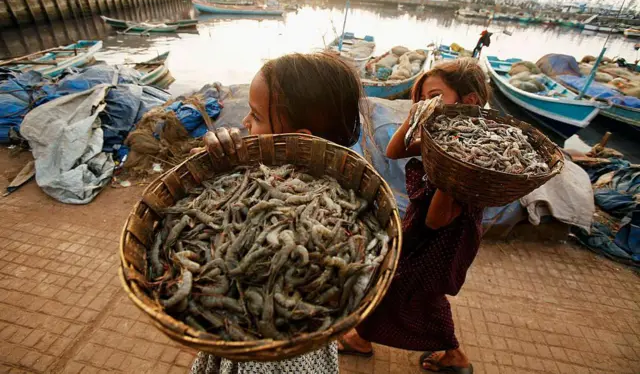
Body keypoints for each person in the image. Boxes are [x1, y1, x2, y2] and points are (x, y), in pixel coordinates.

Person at [189, 51, 364, 374]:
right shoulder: (258, 170)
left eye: (255, 116)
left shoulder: (342, 205)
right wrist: (214, 161)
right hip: (234, 341)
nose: (243, 123)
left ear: (297, 142)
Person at [338, 58, 491, 374]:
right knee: (395, 279)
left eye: (434, 95)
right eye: (420, 97)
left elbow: (438, 219)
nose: (425, 103)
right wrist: (414, 117)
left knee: (420, 290)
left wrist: (450, 163)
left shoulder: (468, 150)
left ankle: (454, 356)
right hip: (424, 226)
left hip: (445, 235)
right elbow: (395, 151)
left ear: (470, 101)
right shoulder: (438, 138)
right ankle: (362, 338)